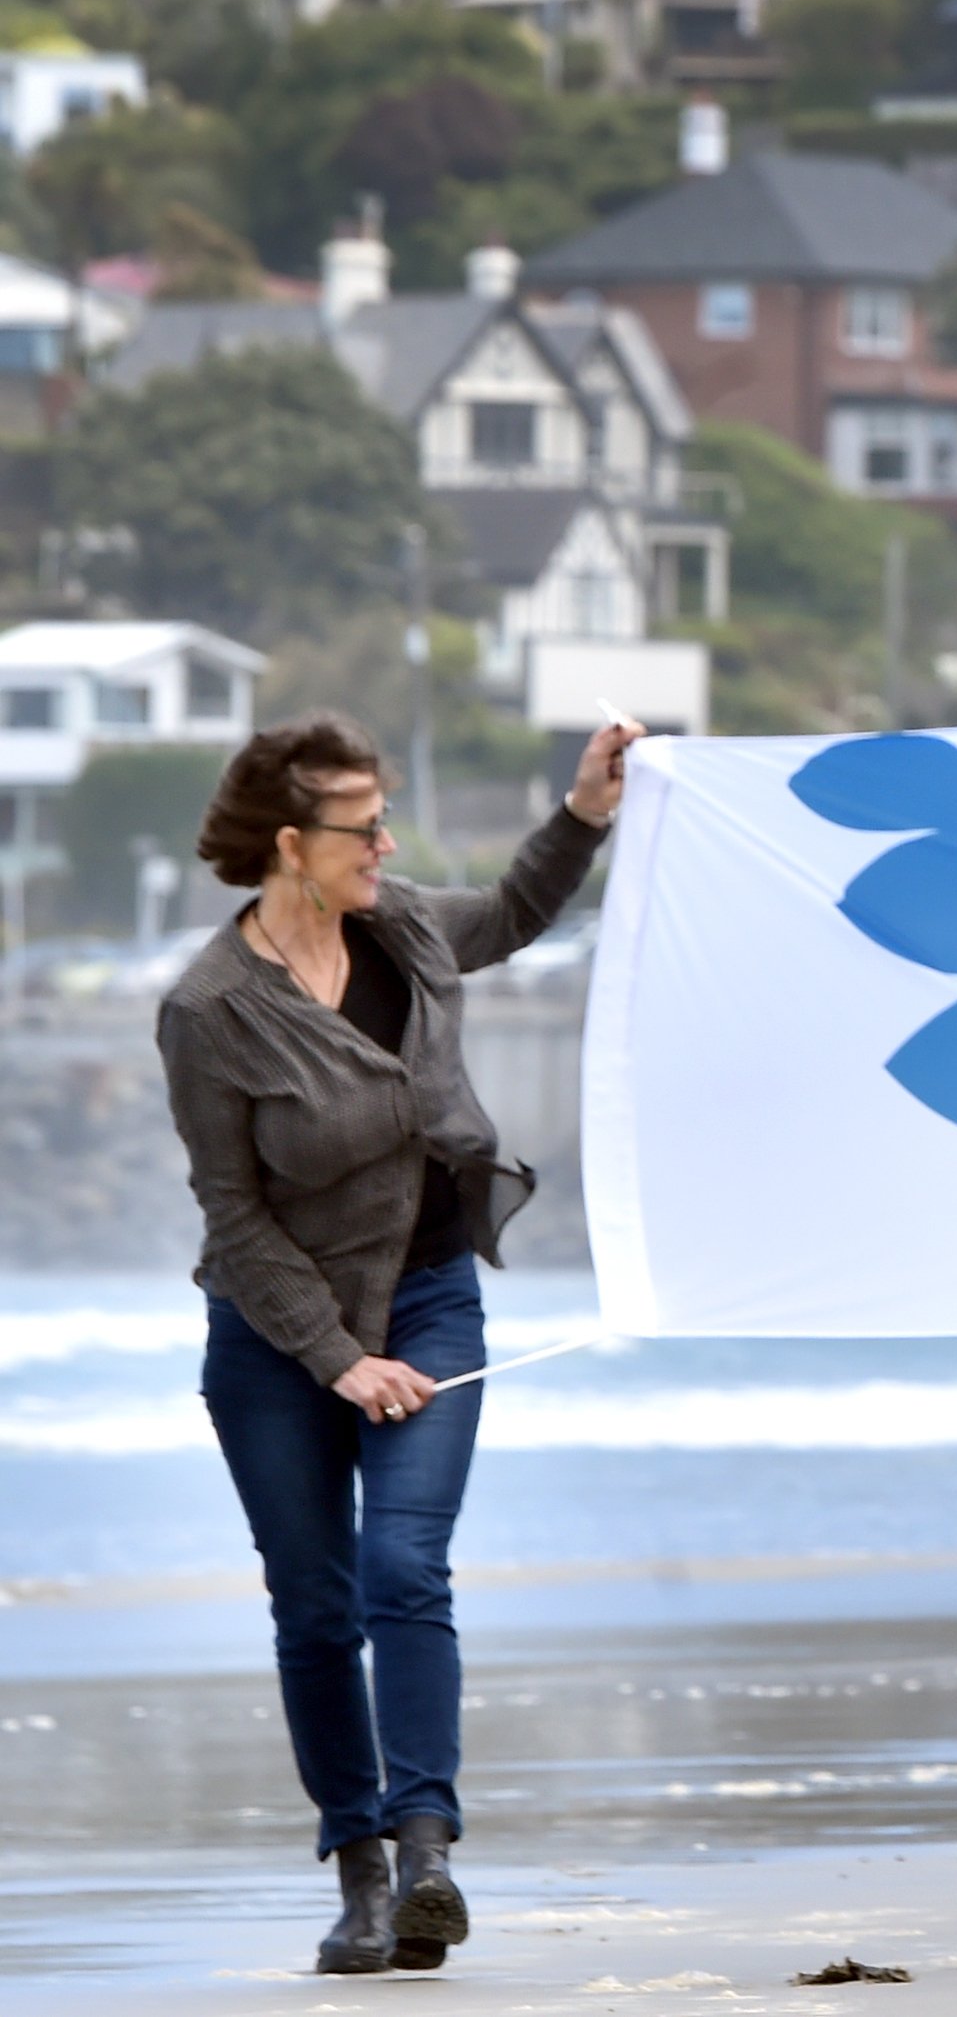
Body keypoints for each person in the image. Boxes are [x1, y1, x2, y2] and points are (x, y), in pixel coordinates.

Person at [158, 712, 642, 1975]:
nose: (386, 841)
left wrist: (585, 808)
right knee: (316, 1609)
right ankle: (361, 1871)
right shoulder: (211, 1009)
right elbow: (234, 1213)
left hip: (429, 1297)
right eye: (361, 825)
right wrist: (334, 1357)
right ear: (289, 843)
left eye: (385, 819)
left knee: (403, 1568)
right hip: (274, 1344)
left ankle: (429, 1851)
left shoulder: (410, 926)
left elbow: (518, 908)